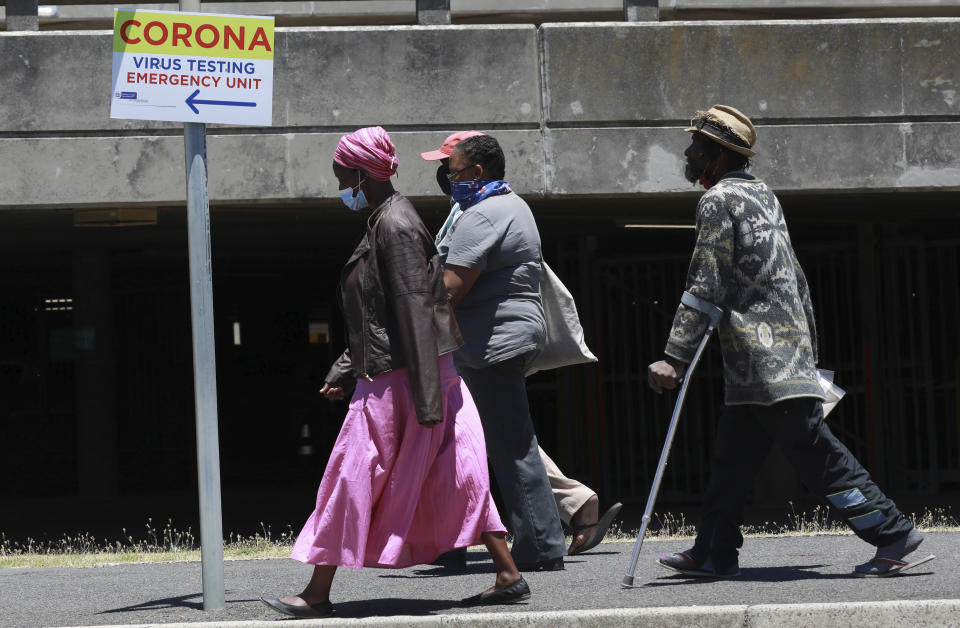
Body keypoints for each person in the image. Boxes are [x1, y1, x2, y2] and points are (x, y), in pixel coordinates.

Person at [648, 105, 930, 578]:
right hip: (770, 362)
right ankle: (715, 551)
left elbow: (705, 282)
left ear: (715, 155)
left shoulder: (718, 201)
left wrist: (673, 355)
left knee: (817, 456)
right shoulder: (763, 196)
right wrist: (809, 354)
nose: (688, 152)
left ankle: (893, 533)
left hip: (764, 361)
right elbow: (796, 281)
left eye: (696, 145)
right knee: (731, 462)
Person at [260, 126, 530, 619]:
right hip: (414, 373)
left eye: (343, 174)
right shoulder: (386, 219)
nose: (339, 182)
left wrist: (426, 401)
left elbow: (413, 310)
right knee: (456, 474)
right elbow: (379, 312)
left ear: (363, 174)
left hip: (404, 380)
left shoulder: (395, 226)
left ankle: (318, 592)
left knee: (351, 475)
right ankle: (508, 573)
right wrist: (346, 365)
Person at [422, 131, 622, 557]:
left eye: (452, 170)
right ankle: (516, 538)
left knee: (510, 446)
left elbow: (451, 288)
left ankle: (541, 544)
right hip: (499, 340)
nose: (447, 177)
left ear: (477, 171)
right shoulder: (513, 205)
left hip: (489, 343)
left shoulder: (480, 215)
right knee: (501, 440)